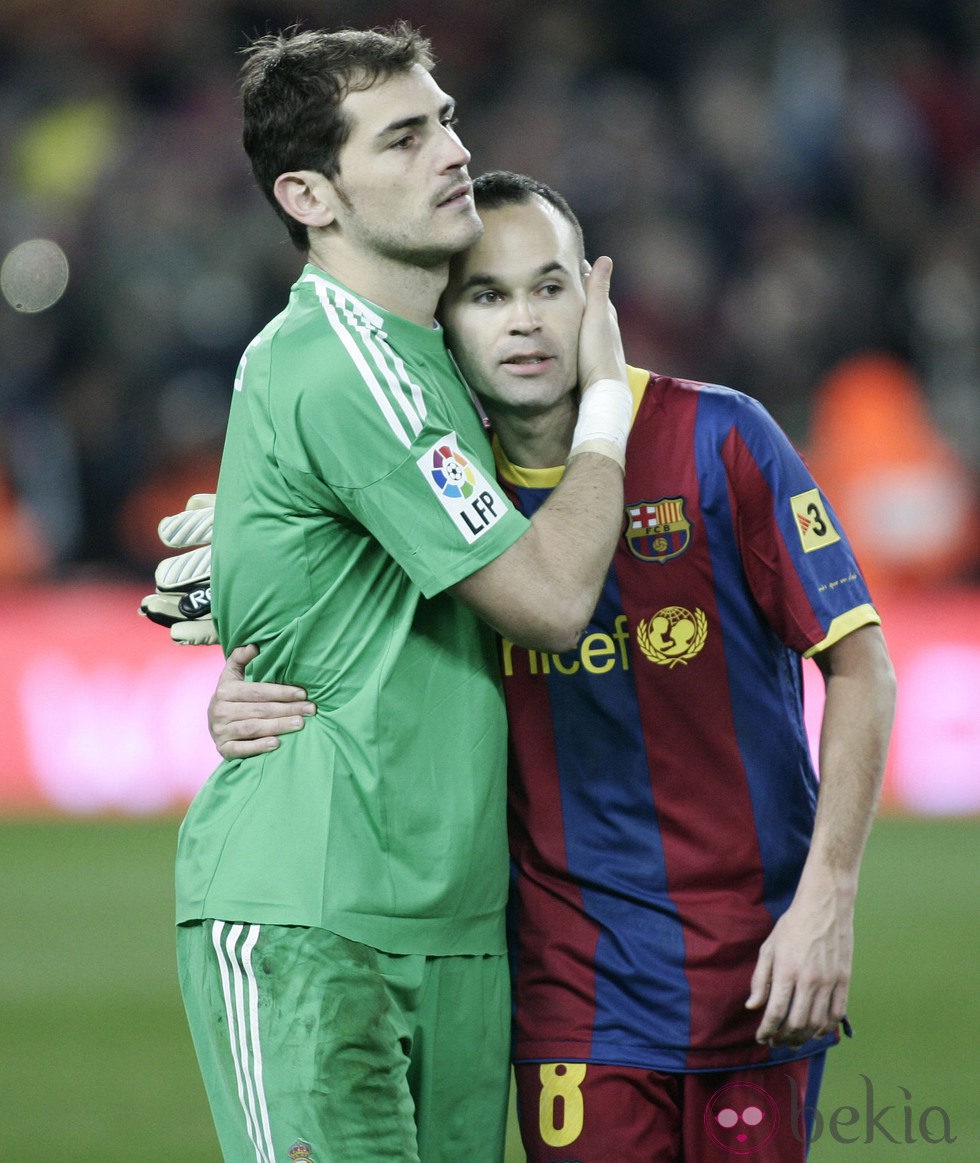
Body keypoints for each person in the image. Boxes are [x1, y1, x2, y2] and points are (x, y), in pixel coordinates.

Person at [193, 171, 897, 1161]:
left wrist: (827, 899)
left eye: (548, 286)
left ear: (594, 296)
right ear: (443, 321)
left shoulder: (719, 438)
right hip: (571, 989)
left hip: (759, 968)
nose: (522, 321)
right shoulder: (437, 486)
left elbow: (862, 666)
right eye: (485, 294)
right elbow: (333, 630)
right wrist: (246, 691)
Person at [142, 28, 633, 1163]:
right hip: (315, 907)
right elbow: (551, 599)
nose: (451, 151)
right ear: (308, 194)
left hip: (454, 915)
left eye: (447, 119)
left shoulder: (430, 354)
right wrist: (607, 401)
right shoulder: (336, 358)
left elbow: (356, 534)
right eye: (405, 136)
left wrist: (254, 559)